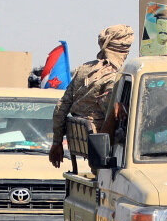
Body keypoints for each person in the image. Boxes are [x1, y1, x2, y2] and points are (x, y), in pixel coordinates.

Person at [47, 25, 133, 168]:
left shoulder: (84, 69)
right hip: (101, 145)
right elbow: (111, 115)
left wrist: (56, 142)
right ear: (125, 49)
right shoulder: (113, 77)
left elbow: (61, 108)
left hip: (82, 140)